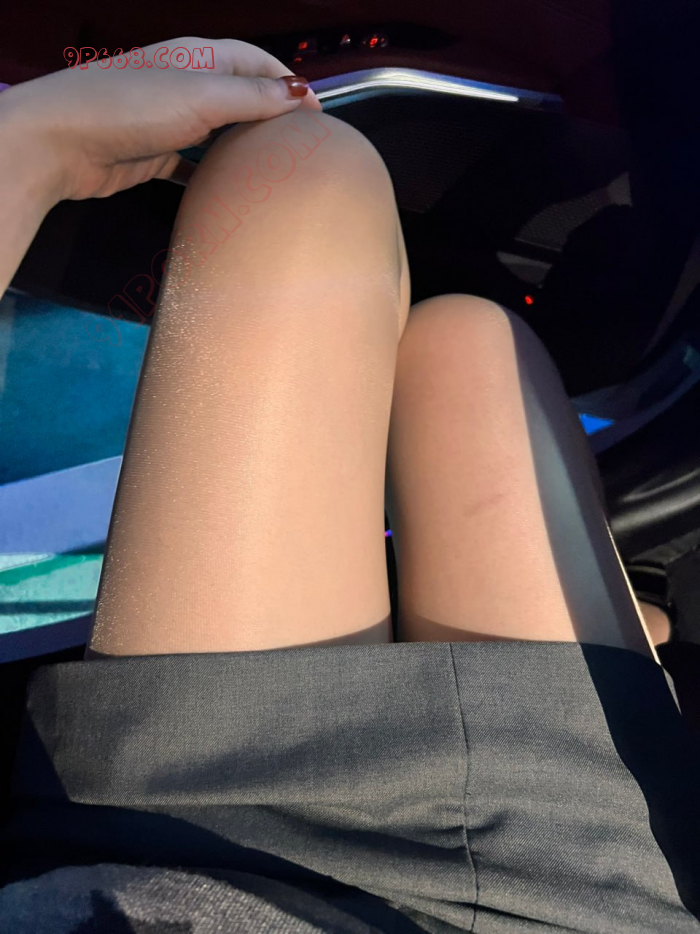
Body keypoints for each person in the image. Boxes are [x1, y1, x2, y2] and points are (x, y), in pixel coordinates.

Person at [0, 37, 698, 934]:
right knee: (471, 341)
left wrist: (26, 151)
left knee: (316, 189)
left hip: (183, 838)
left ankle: (635, 623)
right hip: (581, 885)